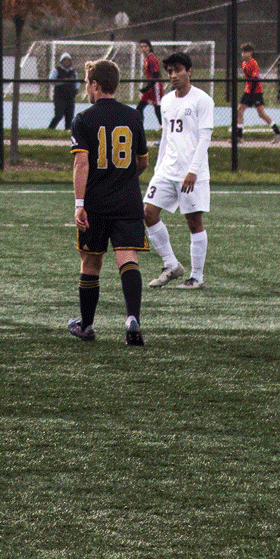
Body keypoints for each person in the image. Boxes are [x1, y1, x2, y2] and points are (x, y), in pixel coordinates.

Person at [67, 59, 147, 345]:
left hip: (96, 204)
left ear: (96, 85)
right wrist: (123, 178)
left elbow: (81, 163)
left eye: (87, 83)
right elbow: (142, 161)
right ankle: (132, 318)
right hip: (128, 201)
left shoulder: (84, 118)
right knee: (127, 258)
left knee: (91, 262)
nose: (86, 88)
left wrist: (79, 203)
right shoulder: (134, 116)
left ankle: (87, 326)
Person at [142, 52, 214, 289]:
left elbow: (205, 138)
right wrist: (157, 168)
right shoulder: (168, 100)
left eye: (178, 70)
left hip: (192, 174)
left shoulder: (202, 100)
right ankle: (171, 264)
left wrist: (193, 171)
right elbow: (166, 136)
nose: (173, 75)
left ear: (189, 71)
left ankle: (197, 277)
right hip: (166, 171)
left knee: (194, 222)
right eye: (170, 71)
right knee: (148, 212)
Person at [236, 43, 280, 137]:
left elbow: (255, 80)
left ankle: (278, 132)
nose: (243, 54)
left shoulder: (254, 63)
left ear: (251, 52)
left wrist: (252, 94)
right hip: (248, 91)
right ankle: (239, 136)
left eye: (246, 52)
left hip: (256, 92)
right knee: (239, 110)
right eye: (243, 52)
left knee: (261, 114)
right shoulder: (244, 63)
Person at [135, 39, 163, 129]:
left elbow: (155, 76)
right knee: (139, 108)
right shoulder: (146, 59)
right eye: (141, 47)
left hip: (155, 87)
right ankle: (140, 129)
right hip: (150, 87)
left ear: (149, 47)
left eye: (145, 46)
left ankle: (164, 131)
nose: (143, 49)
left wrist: (148, 87)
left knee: (157, 109)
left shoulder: (152, 59)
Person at [49, 53, 79, 132]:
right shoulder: (56, 70)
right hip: (59, 96)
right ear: (61, 61)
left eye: (68, 60)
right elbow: (51, 80)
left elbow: (77, 83)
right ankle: (50, 129)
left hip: (70, 97)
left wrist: (76, 90)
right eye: (64, 60)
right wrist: (62, 81)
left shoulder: (73, 72)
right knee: (59, 115)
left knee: (69, 116)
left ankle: (67, 131)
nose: (66, 62)